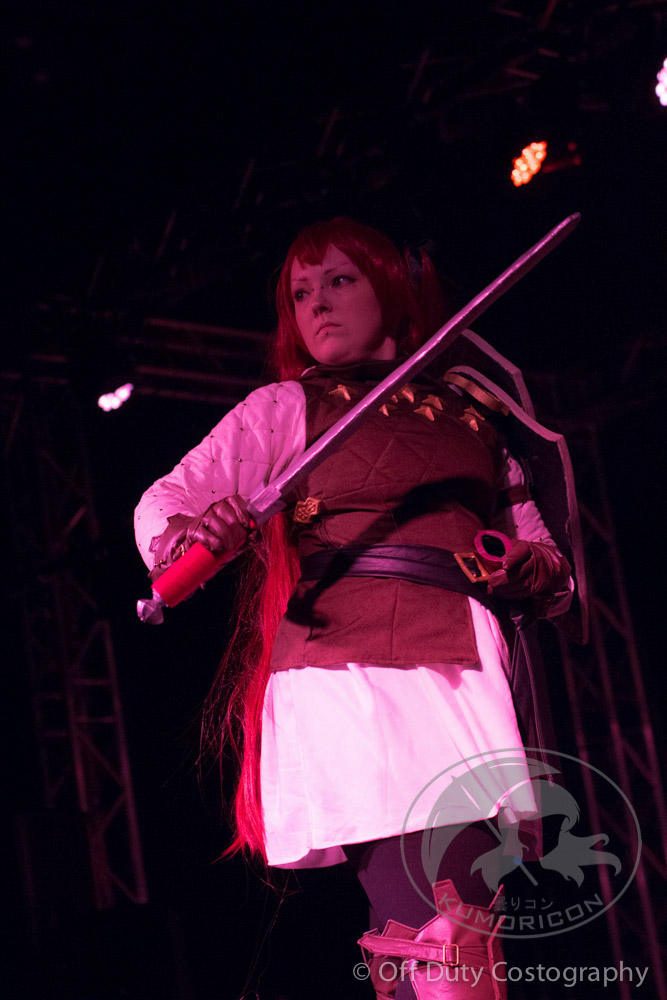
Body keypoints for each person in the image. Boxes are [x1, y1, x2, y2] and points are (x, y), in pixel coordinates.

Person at [134, 217, 576, 1000]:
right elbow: (164, 503)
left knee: (442, 925)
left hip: (463, 662)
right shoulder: (283, 408)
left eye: (339, 280)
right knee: (448, 920)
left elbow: (549, 564)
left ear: (390, 290)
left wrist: (520, 567)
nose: (317, 303)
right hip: (349, 668)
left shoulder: (474, 415)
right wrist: (190, 535)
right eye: (301, 292)